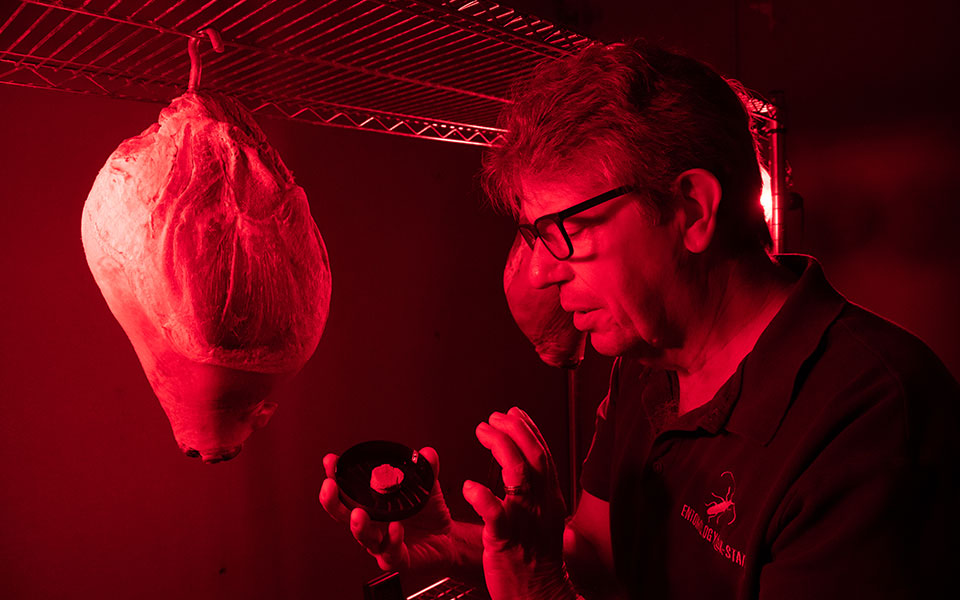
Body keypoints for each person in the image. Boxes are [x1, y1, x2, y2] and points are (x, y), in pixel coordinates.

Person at [320, 39, 960, 599]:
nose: (541, 274)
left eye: (564, 229)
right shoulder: (645, 363)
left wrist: (539, 594)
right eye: (533, 234)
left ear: (691, 209)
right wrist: (460, 546)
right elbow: (601, 558)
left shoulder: (872, 424)